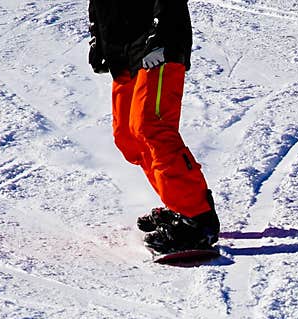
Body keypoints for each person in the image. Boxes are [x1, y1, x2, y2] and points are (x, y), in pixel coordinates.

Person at [88, 0, 219, 253]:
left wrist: (164, 35)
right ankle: (181, 205)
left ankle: (197, 217)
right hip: (122, 53)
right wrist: (98, 41)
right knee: (127, 137)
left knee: (152, 128)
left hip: (157, 46)